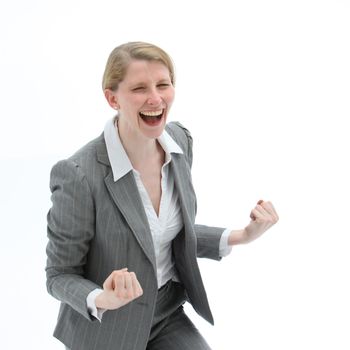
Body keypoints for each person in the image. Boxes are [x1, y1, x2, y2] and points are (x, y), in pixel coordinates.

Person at [46, 41, 279, 350]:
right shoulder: (78, 174)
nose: (155, 98)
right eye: (139, 88)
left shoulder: (180, 142)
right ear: (112, 98)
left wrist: (242, 235)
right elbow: (59, 275)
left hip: (166, 314)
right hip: (106, 330)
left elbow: (163, 233)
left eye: (163, 84)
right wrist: (104, 297)